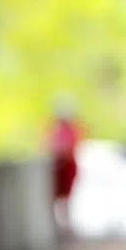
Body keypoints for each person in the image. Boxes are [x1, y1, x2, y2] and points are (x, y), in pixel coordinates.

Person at [47, 100, 82, 239]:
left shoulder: (72, 131)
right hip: (57, 168)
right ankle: (58, 226)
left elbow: (70, 149)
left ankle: (65, 226)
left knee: (66, 199)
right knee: (56, 198)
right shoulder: (54, 130)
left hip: (67, 167)